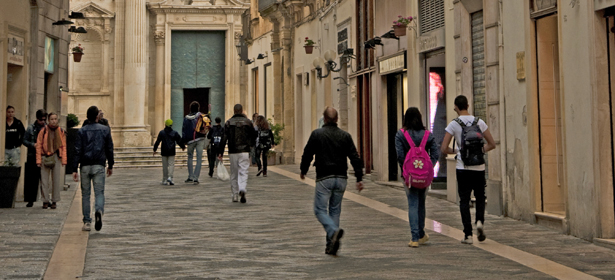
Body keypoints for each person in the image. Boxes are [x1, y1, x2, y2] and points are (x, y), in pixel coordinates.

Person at [300, 107, 364, 256]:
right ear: (337, 119)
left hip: (324, 177)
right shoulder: (345, 136)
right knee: (335, 210)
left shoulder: (317, 134)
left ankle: (333, 231)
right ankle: (331, 245)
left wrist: (303, 170)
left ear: (324, 118)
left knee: (319, 210)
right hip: (341, 178)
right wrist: (359, 178)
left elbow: (307, 153)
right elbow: (355, 157)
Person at [441, 95, 495, 244]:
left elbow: (444, 148)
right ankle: (479, 222)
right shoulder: (480, 122)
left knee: (464, 200)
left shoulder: (454, 124)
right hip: (479, 168)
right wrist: (479, 152)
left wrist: (458, 152)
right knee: (480, 197)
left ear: (455, 107)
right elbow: (492, 144)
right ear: (468, 105)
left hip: (462, 168)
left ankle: (468, 235)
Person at [394, 107, 439, 248]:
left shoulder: (401, 135)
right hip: (424, 177)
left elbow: (400, 156)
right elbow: (435, 153)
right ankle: (420, 233)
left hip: (409, 177)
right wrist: (427, 167)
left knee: (412, 203)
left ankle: (414, 238)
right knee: (421, 203)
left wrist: (407, 169)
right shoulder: (427, 134)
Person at [73, 106, 114, 232]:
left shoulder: (82, 131)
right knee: (99, 192)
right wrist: (110, 165)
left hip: (85, 165)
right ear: (97, 116)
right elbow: (109, 148)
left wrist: (74, 168)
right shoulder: (105, 130)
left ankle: (86, 222)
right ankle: (98, 210)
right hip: (99, 165)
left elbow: (77, 150)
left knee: (85, 194)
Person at [218, 104, 256, 203]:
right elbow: (253, 136)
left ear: (234, 111)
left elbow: (224, 138)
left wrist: (220, 152)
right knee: (243, 171)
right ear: (242, 111)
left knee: (234, 173)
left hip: (233, 151)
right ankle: (242, 188)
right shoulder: (248, 122)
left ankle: (234, 194)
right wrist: (251, 146)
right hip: (244, 151)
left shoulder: (229, 122)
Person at [35, 112, 67, 210]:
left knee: (56, 181)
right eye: (52, 119)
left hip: (56, 157)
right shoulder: (43, 131)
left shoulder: (61, 131)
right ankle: (45, 201)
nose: (53, 121)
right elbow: (39, 145)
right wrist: (38, 160)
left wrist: (64, 160)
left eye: (55, 119)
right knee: (44, 181)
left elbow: (63, 146)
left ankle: (54, 201)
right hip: (45, 157)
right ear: (48, 120)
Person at [22, 109, 46, 207]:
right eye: (41, 120)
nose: (43, 121)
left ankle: (45, 200)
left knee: (44, 179)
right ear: (37, 118)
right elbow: (24, 140)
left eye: (44, 119)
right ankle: (31, 199)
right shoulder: (31, 128)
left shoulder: (47, 128)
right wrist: (33, 145)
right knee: (32, 179)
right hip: (33, 155)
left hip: (44, 155)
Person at [182, 101, 210, 184]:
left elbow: (184, 130)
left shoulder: (186, 118)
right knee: (199, 159)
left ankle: (190, 176)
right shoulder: (201, 116)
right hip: (200, 139)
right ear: (198, 108)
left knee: (190, 157)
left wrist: (183, 141)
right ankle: (196, 177)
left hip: (190, 140)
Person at [153, 119, 185, 185]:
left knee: (165, 166)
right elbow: (179, 140)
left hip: (164, 150)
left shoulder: (162, 133)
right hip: (171, 150)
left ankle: (164, 179)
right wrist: (183, 146)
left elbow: (158, 141)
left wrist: (154, 149)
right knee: (171, 164)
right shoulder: (174, 133)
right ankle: (170, 177)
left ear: (165, 124)